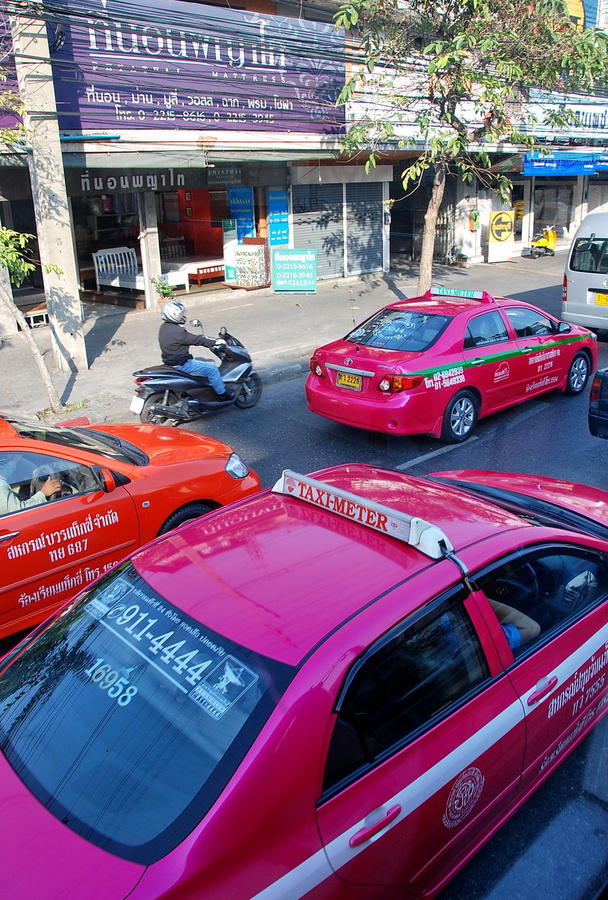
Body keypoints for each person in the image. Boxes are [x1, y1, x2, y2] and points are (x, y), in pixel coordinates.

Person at [158, 300, 233, 401]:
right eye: (181, 313)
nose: (183, 315)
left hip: (170, 361)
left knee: (204, 365)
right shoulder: (179, 332)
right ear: (174, 315)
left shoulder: (164, 327)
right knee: (212, 369)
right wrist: (215, 342)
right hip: (182, 364)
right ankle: (222, 395)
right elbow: (197, 340)